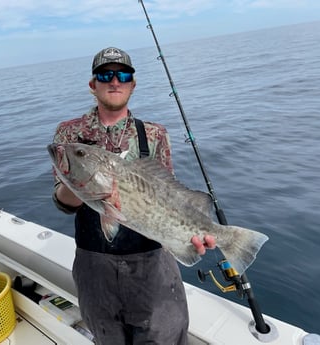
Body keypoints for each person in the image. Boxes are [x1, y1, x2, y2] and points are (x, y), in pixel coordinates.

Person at [52, 47, 215, 345]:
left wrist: (188, 234)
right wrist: (83, 183)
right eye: (105, 75)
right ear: (93, 85)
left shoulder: (153, 134)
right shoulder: (68, 135)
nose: (115, 81)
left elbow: (168, 194)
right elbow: (63, 203)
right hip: (94, 265)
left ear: (132, 84)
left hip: (151, 263)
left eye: (123, 75)